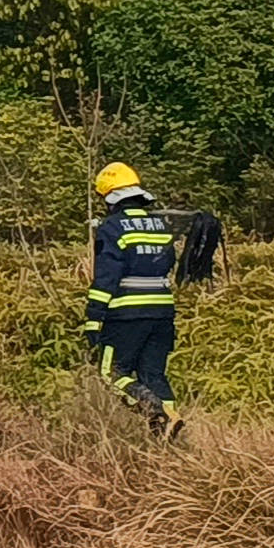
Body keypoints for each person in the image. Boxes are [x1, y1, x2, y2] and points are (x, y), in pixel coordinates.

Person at [84, 161, 185, 439]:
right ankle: (166, 439)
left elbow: (106, 278)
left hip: (124, 315)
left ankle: (155, 411)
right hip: (163, 313)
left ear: (111, 199)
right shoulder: (161, 226)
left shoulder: (113, 227)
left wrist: (93, 319)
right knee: (154, 375)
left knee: (112, 373)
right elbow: (166, 263)